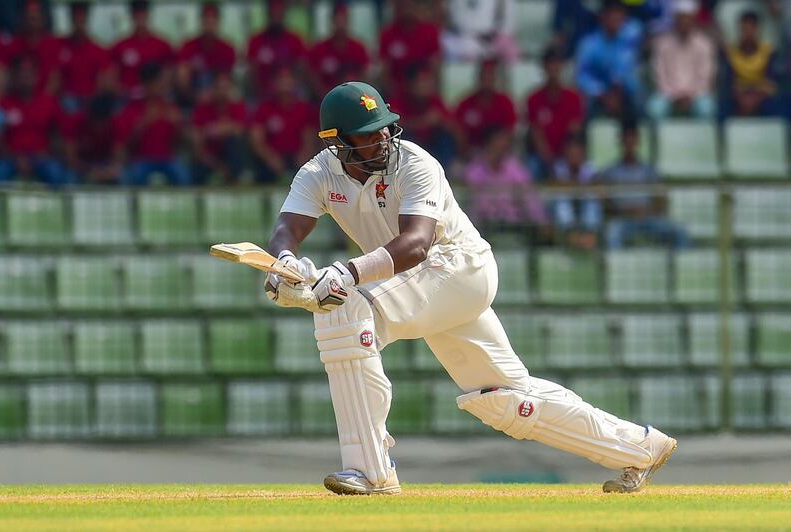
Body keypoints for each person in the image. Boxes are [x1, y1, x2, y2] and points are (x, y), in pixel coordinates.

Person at [263, 80, 677, 496]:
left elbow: (417, 243)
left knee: (345, 309)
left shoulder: (415, 163)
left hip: (457, 267)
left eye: (385, 128)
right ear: (338, 143)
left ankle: (371, 471)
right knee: (503, 398)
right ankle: (638, 447)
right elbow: (288, 228)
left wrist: (346, 274)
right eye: (369, 135)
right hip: (422, 284)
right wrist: (285, 264)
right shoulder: (318, 172)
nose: (383, 139)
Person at [602, 120, 688, 249]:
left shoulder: (650, 171)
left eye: (633, 139)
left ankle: (680, 267)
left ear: (638, 141)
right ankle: (617, 267)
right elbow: (605, 202)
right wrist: (624, 211)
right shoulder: (610, 172)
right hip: (622, 219)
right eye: (626, 139)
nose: (629, 143)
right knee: (612, 233)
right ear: (620, 141)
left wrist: (647, 211)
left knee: (679, 231)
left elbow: (662, 199)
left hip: (649, 218)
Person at [464, 126, 549, 242]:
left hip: (513, 224)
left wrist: (541, 222)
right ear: (488, 145)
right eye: (497, 144)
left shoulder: (515, 168)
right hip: (484, 226)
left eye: (505, 145)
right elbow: (473, 204)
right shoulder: (474, 171)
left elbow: (529, 198)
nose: (502, 148)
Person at [0, 57, 69, 186]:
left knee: (55, 172)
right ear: (14, 78)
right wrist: (15, 157)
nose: (25, 81)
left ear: (36, 77)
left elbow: (57, 135)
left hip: (41, 157)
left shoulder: (48, 103)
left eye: (28, 76)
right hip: (11, 158)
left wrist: (47, 153)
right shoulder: (2, 105)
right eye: (21, 76)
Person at [114, 63, 189, 186]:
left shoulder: (170, 108)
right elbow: (125, 145)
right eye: (161, 81)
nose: (164, 86)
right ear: (148, 84)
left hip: (167, 159)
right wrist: (142, 125)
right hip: (142, 160)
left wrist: (177, 126)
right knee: (135, 176)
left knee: (183, 176)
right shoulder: (132, 109)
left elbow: (179, 143)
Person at [647, 0, 715, 119]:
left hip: (696, 95)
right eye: (681, 18)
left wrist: (690, 95)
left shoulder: (704, 44)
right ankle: (661, 138)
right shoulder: (663, 44)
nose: (684, 22)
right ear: (675, 19)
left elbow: (705, 78)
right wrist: (675, 96)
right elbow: (659, 76)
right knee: (655, 107)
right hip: (669, 95)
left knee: (706, 107)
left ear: (693, 19)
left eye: (687, 18)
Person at [249, 68, 317, 183]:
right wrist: (270, 157)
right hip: (272, 159)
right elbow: (256, 140)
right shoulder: (264, 108)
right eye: (281, 79)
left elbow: (309, 140)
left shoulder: (304, 108)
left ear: (295, 83)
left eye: (288, 79)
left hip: (297, 158)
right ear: (274, 83)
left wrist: (303, 160)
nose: (285, 84)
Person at [525, 47, 584, 181]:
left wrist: (563, 157)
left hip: (566, 154)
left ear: (562, 66)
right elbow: (536, 133)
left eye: (556, 63)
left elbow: (574, 131)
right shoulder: (533, 98)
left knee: (577, 163)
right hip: (543, 157)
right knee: (532, 165)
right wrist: (549, 159)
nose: (553, 68)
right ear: (544, 67)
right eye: (550, 64)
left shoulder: (574, 97)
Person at [575, 0, 642, 118]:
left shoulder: (630, 37)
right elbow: (582, 76)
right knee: (583, 102)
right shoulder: (589, 43)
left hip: (622, 90)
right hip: (598, 92)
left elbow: (628, 68)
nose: (616, 20)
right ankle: (583, 135)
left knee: (639, 97)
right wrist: (601, 92)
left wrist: (619, 87)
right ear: (603, 17)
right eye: (612, 15)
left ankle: (632, 134)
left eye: (620, 16)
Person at [388, 66, 459, 169]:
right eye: (423, 81)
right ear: (412, 84)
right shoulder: (399, 99)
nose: (428, 85)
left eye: (430, 81)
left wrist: (442, 122)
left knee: (444, 138)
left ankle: (444, 170)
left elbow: (454, 127)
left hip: (431, 146)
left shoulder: (435, 100)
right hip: (409, 148)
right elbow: (394, 125)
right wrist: (423, 122)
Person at [109, 0, 175, 100]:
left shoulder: (162, 45)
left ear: (148, 15)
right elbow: (112, 76)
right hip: (128, 99)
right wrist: (124, 92)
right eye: (137, 13)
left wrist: (157, 90)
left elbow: (169, 73)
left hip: (156, 98)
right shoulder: (120, 46)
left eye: (143, 13)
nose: (140, 17)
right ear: (131, 16)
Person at [191, 71, 248, 184]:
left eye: (226, 87)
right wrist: (218, 166)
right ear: (212, 89)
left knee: (233, 143)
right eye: (219, 87)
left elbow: (240, 131)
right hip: (208, 159)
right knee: (197, 171)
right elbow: (197, 142)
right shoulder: (202, 108)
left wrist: (216, 130)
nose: (223, 92)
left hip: (230, 157)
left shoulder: (237, 106)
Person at [176, 1, 237, 106]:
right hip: (193, 99)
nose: (209, 22)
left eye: (213, 18)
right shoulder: (188, 47)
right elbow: (182, 79)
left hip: (218, 100)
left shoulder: (228, 49)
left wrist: (214, 94)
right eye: (206, 18)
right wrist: (196, 96)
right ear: (201, 21)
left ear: (218, 21)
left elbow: (229, 81)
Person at [56, 1, 114, 112]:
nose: (79, 20)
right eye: (76, 16)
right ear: (71, 18)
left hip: (91, 100)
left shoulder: (98, 50)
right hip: (67, 100)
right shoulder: (59, 47)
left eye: (82, 16)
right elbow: (55, 78)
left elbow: (103, 82)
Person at [722, 10, 780, 117]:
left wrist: (755, 98)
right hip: (738, 97)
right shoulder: (731, 53)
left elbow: (772, 83)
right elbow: (728, 84)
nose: (748, 33)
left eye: (751, 29)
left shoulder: (768, 52)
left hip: (761, 96)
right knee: (723, 106)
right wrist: (741, 97)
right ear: (740, 30)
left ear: (758, 30)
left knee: (777, 104)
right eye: (745, 29)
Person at [379, 0, 441, 99]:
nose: (407, 9)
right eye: (403, 5)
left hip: (424, 89)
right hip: (397, 93)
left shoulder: (430, 32)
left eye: (410, 5)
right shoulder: (387, 34)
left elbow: (435, 67)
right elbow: (385, 71)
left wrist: (425, 88)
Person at [549, 135, 602, 250]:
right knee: (561, 200)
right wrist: (580, 185)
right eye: (571, 153)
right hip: (567, 207)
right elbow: (556, 185)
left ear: (583, 153)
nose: (574, 156)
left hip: (583, 205)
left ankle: (589, 235)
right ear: (565, 153)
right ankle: (571, 235)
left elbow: (597, 186)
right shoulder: (558, 166)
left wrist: (574, 185)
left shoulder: (589, 167)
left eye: (577, 153)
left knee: (592, 200)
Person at [306, 4, 371, 99]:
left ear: (348, 21)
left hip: (356, 100)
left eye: (343, 20)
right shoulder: (319, 49)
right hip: (326, 100)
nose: (340, 25)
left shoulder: (358, 48)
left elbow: (365, 77)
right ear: (332, 22)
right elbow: (312, 78)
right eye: (337, 20)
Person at [246, 0, 307, 100]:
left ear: (284, 14)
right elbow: (251, 71)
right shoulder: (256, 41)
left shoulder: (295, 40)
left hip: (291, 93)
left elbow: (301, 68)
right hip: (263, 94)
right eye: (273, 13)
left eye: (279, 13)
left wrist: (288, 85)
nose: (276, 17)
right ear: (268, 14)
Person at [454, 59, 517, 154]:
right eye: (484, 75)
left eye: (491, 75)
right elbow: (458, 131)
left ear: (495, 78)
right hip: (472, 153)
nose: (487, 79)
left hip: (500, 153)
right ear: (478, 77)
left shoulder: (505, 102)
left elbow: (509, 133)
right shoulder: (465, 103)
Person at [62, 91, 122, 183]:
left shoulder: (115, 124)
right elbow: (70, 158)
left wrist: (110, 170)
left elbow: (118, 156)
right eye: (96, 123)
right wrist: (90, 171)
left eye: (103, 124)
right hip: (81, 166)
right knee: (69, 177)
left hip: (104, 165)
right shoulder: (76, 122)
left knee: (123, 175)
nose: (99, 127)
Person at [441, 0, 520, 62]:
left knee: (512, 51)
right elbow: (451, 16)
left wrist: (499, 35)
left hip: (491, 39)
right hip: (460, 38)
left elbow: (507, 21)